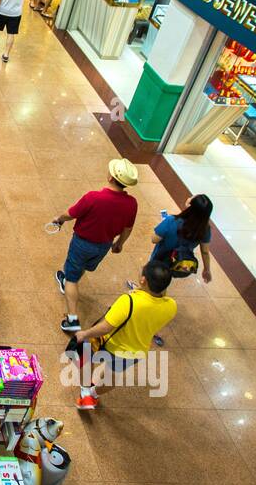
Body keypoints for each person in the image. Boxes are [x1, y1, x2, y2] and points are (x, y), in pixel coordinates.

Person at [69, 261, 177, 410]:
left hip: (111, 344)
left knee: (85, 354)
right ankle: (93, 395)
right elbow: (155, 301)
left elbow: (105, 327)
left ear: (143, 280)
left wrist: (84, 334)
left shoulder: (129, 301)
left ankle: (85, 390)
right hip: (135, 352)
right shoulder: (171, 306)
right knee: (112, 377)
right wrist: (141, 290)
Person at [50, 159, 139, 334]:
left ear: (111, 177)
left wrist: (58, 219)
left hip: (82, 243)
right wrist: (119, 244)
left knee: (72, 279)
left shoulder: (93, 197)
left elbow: (70, 214)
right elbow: (128, 228)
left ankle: (72, 319)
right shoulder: (132, 203)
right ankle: (69, 278)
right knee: (80, 268)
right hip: (103, 246)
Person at [136, 195, 214, 285]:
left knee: (148, 275)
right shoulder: (205, 229)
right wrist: (207, 269)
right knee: (164, 280)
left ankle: (141, 290)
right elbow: (205, 251)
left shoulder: (171, 221)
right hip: (179, 262)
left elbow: (154, 239)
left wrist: (162, 228)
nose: (189, 197)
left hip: (160, 258)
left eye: (191, 197)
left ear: (190, 206)